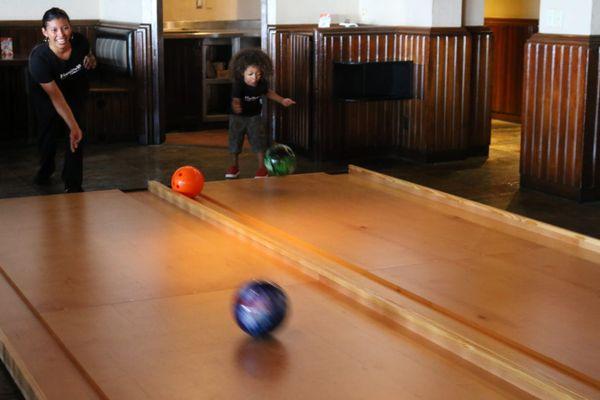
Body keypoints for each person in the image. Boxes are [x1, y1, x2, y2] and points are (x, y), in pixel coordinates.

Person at [29, 7, 97, 193]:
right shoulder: (38, 59)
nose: (61, 34)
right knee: (48, 132)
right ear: (45, 32)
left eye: (65, 27)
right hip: (47, 96)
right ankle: (46, 169)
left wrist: (91, 59)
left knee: (76, 133)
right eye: (54, 29)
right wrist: (72, 124)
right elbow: (56, 97)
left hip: (75, 92)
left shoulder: (80, 41)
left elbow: (89, 55)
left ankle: (72, 183)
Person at [226, 48, 295, 179]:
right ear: (242, 73)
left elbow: (268, 92)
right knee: (235, 141)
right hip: (237, 118)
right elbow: (235, 99)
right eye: (250, 74)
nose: (254, 78)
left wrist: (282, 100)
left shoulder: (261, 83)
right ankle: (234, 167)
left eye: (258, 74)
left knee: (259, 142)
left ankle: (262, 168)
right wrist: (236, 105)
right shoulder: (239, 84)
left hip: (254, 117)